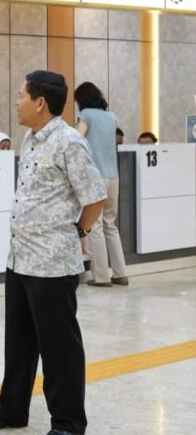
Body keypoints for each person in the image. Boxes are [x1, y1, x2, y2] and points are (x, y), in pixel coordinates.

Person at [0, 70, 106, 435]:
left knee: (59, 347)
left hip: (53, 263)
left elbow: (95, 198)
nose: (16, 101)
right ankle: (12, 410)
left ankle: (68, 420)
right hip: (20, 258)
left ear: (40, 102)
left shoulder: (69, 142)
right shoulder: (30, 138)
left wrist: (78, 233)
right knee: (18, 343)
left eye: (20, 95)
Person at [74, 82, 129, 287]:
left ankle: (101, 277)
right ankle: (120, 273)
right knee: (110, 225)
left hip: (95, 176)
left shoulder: (86, 115)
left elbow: (76, 139)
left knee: (94, 225)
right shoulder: (111, 117)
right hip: (113, 176)